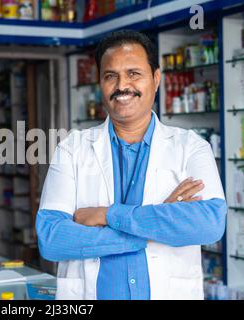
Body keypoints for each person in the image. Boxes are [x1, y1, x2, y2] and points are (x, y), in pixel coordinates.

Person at [36, 30, 227, 300]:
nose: (122, 85)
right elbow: (52, 238)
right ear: (100, 83)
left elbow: (209, 223)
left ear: (156, 78)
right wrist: (153, 227)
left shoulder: (191, 147)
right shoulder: (72, 148)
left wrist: (107, 215)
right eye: (110, 76)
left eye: (134, 73)